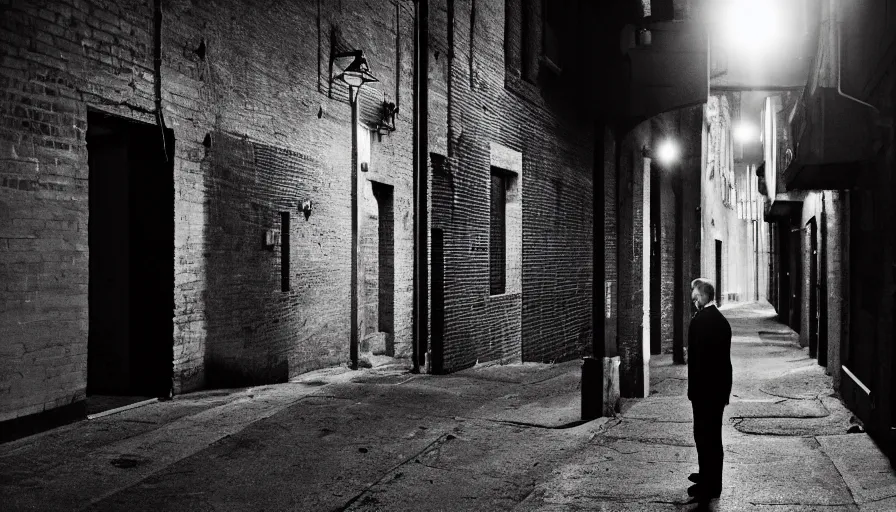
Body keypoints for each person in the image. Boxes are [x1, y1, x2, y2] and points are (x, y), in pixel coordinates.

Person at [686, 278, 732, 501]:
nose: (693, 299)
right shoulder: (721, 320)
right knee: (714, 436)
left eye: (695, 295)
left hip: (704, 391)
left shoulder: (700, 321)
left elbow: (696, 362)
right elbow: (725, 362)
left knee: (703, 436)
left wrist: (692, 390)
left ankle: (708, 484)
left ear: (703, 295)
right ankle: (713, 480)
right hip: (718, 390)